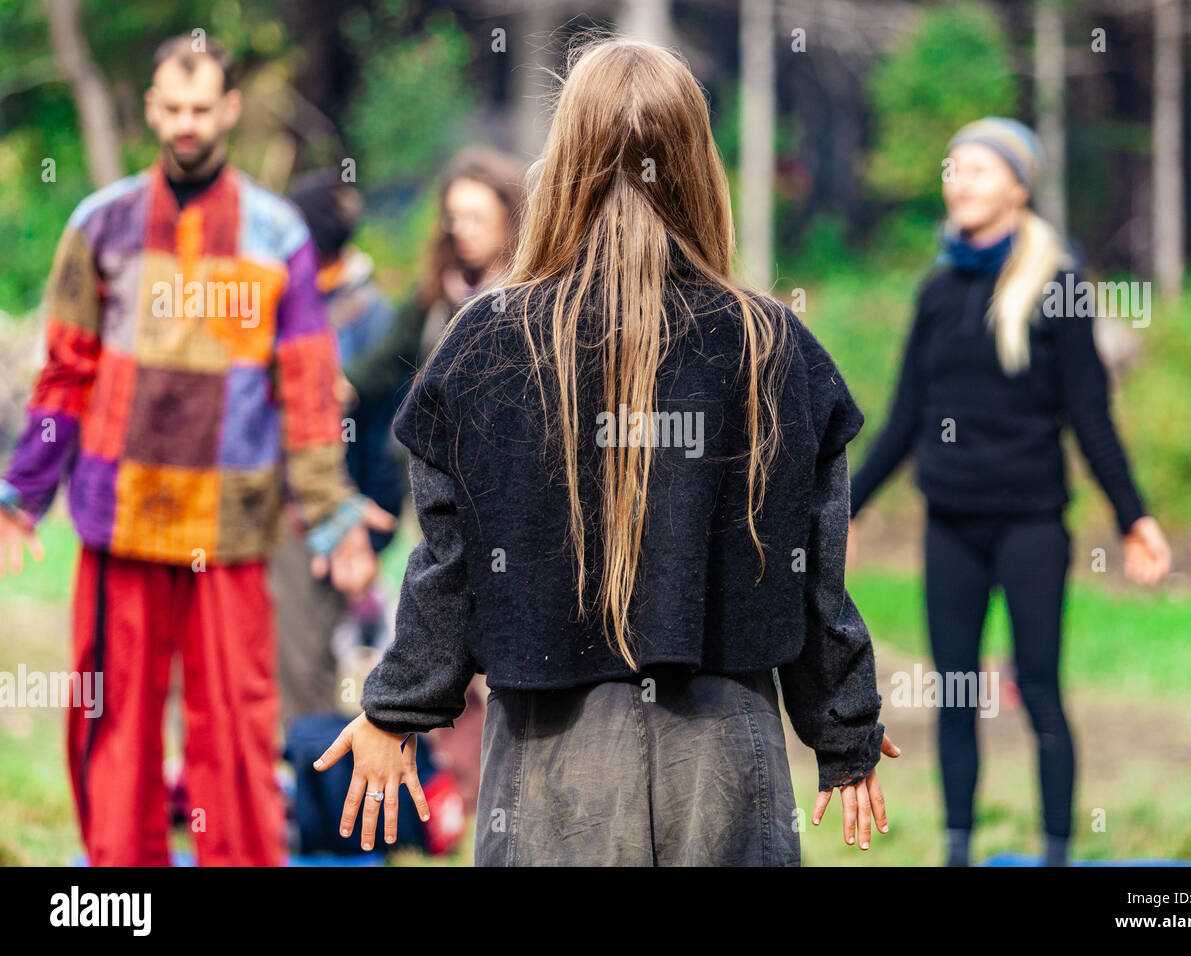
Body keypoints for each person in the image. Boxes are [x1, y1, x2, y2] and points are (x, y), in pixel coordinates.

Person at [314, 36, 900, 866]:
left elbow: (446, 561)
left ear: (564, 164)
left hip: (553, 760)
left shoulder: (485, 342)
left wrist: (398, 709)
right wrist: (845, 730)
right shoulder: (773, 344)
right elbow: (817, 572)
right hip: (727, 754)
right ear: (700, 164)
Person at [0, 36, 392, 866]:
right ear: (151, 109)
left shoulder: (275, 231)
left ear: (228, 111)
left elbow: (309, 393)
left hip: (233, 522)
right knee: (111, 724)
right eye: (171, 109)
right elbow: (64, 373)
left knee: (240, 728)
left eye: (200, 109)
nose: (185, 125)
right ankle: (119, 885)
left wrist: (333, 521)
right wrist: (20, 496)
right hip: (118, 520)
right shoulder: (98, 224)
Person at [847, 117, 1172, 866]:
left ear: (1019, 186)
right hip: (950, 524)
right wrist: (847, 507)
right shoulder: (935, 292)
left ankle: (1055, 851)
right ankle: (958, 851)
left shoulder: (1056, 289)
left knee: (1040, 690)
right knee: (955, 696)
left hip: (1031, 524)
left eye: (978, 169)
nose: (958, 181)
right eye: (952, 169)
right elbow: (903, 420)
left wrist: (1135, 518)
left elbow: (1090, 417)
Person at [342, 145, 526, 817]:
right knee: (444, 640)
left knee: (490, 651)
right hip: (435, 503)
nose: (464, 229)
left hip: (505, 510)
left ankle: (493, 797)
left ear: (511, 218)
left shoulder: (528, 299)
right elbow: (374, 371)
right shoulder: (433, 296)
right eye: (454, 217)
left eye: (478, 216)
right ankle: (462, 798)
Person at [271, 170, 403, 732]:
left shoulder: (373, 319)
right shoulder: (268, 300)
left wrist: (370, 533)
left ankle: (305, 793)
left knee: (306, 665)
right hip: (260, 508)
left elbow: (385, 440)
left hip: (326, 520)